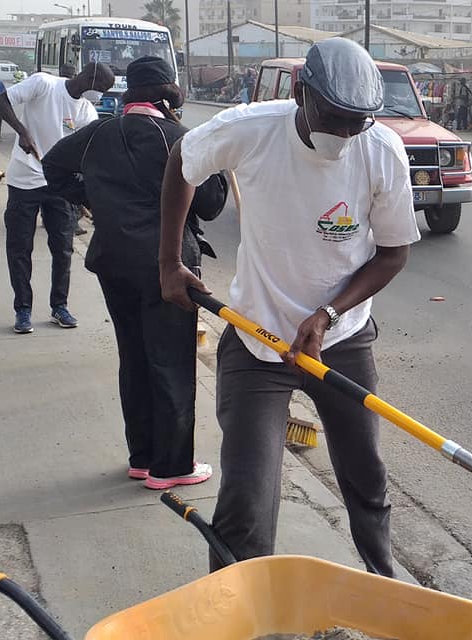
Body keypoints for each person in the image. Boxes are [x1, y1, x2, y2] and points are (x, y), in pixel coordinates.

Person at [158, 38, 419, 576]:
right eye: (335, 117)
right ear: (301, 92)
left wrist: (327, 314)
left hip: (341, 343)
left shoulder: (382, 150)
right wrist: (168, 261)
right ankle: (243, 612)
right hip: (256, 343)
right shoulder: (252, 129)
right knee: (248, 500)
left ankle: (388, 588)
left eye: (358, 122)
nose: (344, 136)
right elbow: (181, 162)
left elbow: (392, 254)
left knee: (366, 478)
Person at [43, 57, 227, 490]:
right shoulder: (178, 139)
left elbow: (52, 167)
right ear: (168, 97)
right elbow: (211, 206)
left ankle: (142, 457)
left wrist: (92, 198)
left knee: (135, 357)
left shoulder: (96, 134)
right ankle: (172, 467)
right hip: (170, 267)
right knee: (172, 362)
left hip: (113, 261)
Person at [0, 62, 115, 334]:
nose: (102, 93)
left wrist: (87, 194)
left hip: (59, 186)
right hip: (24, 179)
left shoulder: (87, 110)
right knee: (19, 248)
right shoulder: (43, 84)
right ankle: (22, 310)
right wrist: (22, 131)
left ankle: (59, 306)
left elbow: (86, 155)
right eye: (102, 87)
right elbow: (0, 101)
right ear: (89, 76)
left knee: (62, 249)